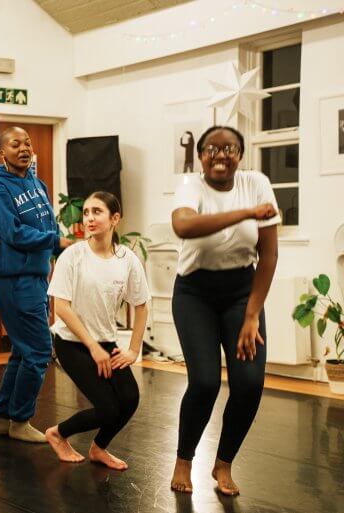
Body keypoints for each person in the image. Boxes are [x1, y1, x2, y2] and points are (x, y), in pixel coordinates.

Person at [169, 125, 279, 496]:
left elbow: (269, 255)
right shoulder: (190, 186)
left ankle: (223, 464)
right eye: (212, 149)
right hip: (194, 293)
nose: (221, 155)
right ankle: (184, 460)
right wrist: (246, 212)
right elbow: (184, 226)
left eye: (230, 148)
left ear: (241, 156)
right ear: (201, 156)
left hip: (240, 294)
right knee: (204, 382)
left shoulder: (257, 183)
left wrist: (251, 315)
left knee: (249, 383)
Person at [44, 191, 149, 468]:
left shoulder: (127, 259)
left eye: (97, 212)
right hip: (71, 341)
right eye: (87, 211)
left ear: (115, 218)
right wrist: (92, 347)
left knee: (129, 398)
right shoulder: (73, 256)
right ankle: (57, 434)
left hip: (106, 341)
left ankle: (99, 448)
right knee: (107, 408)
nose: (89, 217)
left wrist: (134, 350)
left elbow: (141, 305)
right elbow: (61, 308)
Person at [0, 126, 70, 443]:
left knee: (23, 350)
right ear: (2, 153)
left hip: (36, 277)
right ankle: (20, 421)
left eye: (27, 143)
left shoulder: (37, 183)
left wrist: (66, 247)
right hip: (14, 279)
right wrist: (54, 240)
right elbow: (12, 233)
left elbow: (48, 226)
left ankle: (2, 416)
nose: (23, 148)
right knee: (39, 350)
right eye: (14, 144)